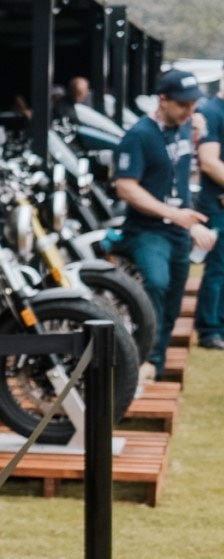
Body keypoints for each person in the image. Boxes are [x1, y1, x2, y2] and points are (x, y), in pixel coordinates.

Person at [112, 70, 209, 377]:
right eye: (183, 104)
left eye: (193, 104)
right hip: (147, 230)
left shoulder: (184, 127)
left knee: (173, 300)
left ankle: (157, 360)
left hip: (178, 230)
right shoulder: (139, 135)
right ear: (162, 100)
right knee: (155, 284)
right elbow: (125, 187)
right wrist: (172, 212)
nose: (190, 111)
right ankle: (143, 361)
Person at [193, 80, 224, 350]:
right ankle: (209, 329)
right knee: (217, 268)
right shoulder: (212, 111)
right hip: (217, 204)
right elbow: (209, 161)